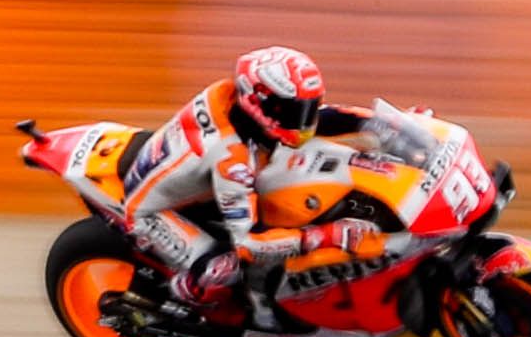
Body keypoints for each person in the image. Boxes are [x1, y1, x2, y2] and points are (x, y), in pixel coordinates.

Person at [117, 45, 382, 313]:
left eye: (307, 107)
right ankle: (181, 298)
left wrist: (389, 122)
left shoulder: (235, 97)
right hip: (152, 213)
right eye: (292, 112)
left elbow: (325, 117)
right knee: (224, 269)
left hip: (195, 182)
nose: (303, 121)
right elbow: (249, 245)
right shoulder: (232, 161)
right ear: (257, 102)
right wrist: (326, 236)